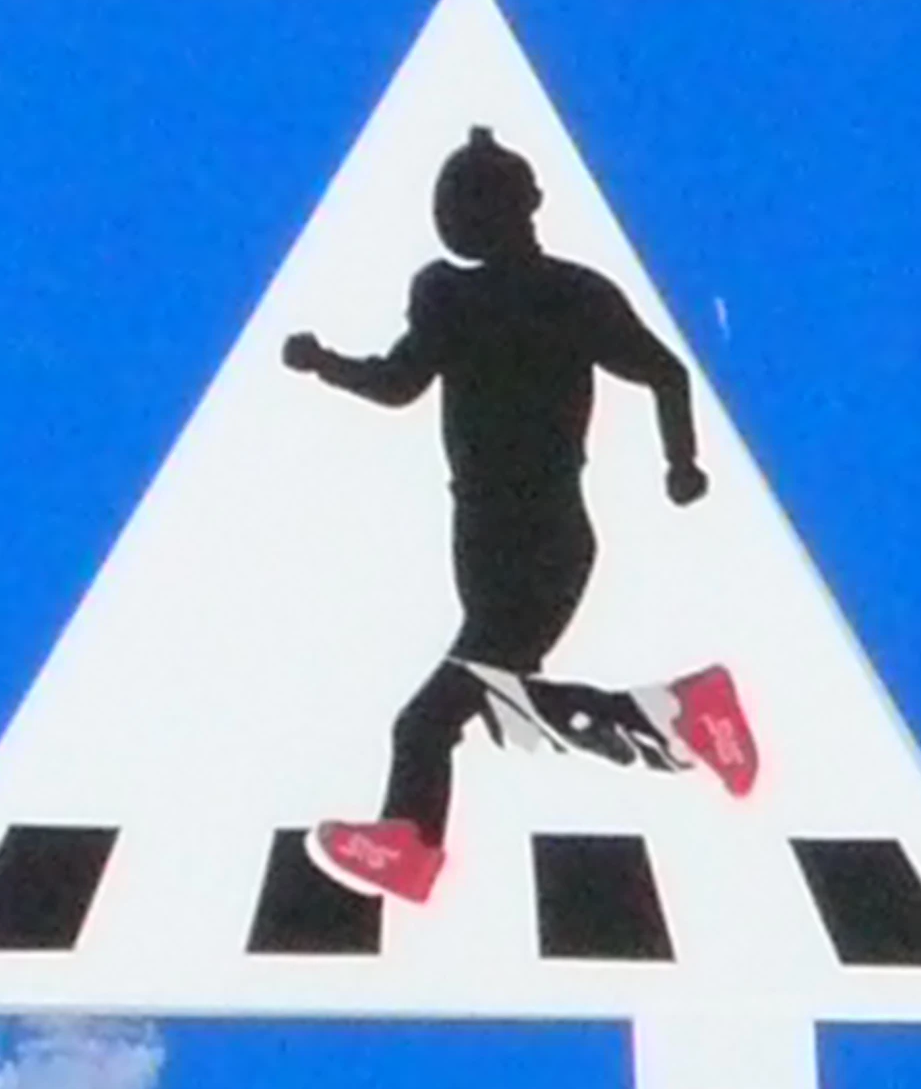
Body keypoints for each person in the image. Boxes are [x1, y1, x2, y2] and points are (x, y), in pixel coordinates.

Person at [282, 126, 758, 905]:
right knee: (500, 703)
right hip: (493, 533)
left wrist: (684, 463)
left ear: (513, 207)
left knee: (429, 721)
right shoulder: (482, 295)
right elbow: (402, 382)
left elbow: (664, 372)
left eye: (467, 202)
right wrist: (679, 464)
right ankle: (688, 716)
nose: (455, 219)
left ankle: (412, 843)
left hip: (537, 540)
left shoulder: (537, 295)